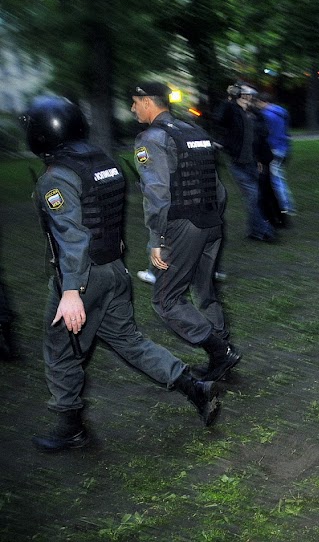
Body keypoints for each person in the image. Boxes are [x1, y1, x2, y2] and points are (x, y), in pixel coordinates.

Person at [23, 96, 223, 451]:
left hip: (83, 279)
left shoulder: (58, 177)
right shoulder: (103, 161)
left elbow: (74, 236)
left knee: (60, 351)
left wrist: (71, 292)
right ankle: (195, 387)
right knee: (130, 341)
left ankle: (70, 426)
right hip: (115, 271)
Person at [131, 82, 241, 382]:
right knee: (205, 291)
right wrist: (214, 220)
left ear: (147, 102)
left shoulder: (151, 139)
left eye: (135, 102)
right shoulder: (194, 131)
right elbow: (218, 188)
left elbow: (157, 194)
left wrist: (156, 239)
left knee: (165, 299)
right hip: (212, 222)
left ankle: (220, 351)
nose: (132, 109)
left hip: (184, 225)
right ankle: (224, 351)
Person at [214, 82, 276, 242]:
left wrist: (261, 159)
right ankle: (264, 230)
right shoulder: (232, 112)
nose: (246, 99)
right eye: (243, 96)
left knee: (255, 197)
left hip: (254, 162)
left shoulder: (255, 114)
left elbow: (262, 135)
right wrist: (228, 99)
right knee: (252, 196)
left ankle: (255, 231)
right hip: (238, 162)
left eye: (249, 96)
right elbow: (219, 119)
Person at [256, 92, 296, 215]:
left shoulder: (265, 115)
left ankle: (285, 206)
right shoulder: (282, 112)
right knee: (278, 175)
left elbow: (264, 133)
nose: (257, 105)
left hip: (273, 148)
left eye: (258, 102)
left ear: (264, 102)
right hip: (283, 147)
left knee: (276, 178)